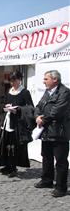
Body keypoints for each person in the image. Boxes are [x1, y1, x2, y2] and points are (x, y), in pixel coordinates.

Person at [34, 70, 70, 198]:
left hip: (59, 132)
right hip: (46, 130)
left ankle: (61, 187)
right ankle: (47, 180)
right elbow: (38, 106)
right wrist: (37, 116)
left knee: (60, 161)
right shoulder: (47, 92)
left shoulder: (64, 92)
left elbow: (57, 110)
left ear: (55, 80)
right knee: (46, 156)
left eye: (46, 79)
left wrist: (42, 119)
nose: (43, 82)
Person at [0, 71, 34, 178]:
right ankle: (7, 165)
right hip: (8, 120)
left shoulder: (25, 92)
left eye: (14, 81)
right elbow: (7, 103)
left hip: (18, 123)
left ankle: (13, 167)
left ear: (19, 79)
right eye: (11, 81)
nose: (12, 83)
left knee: (14, 145)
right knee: (6, 144)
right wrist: (7, 107)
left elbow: (30, 108)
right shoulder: (9, 91)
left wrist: (18, 109)